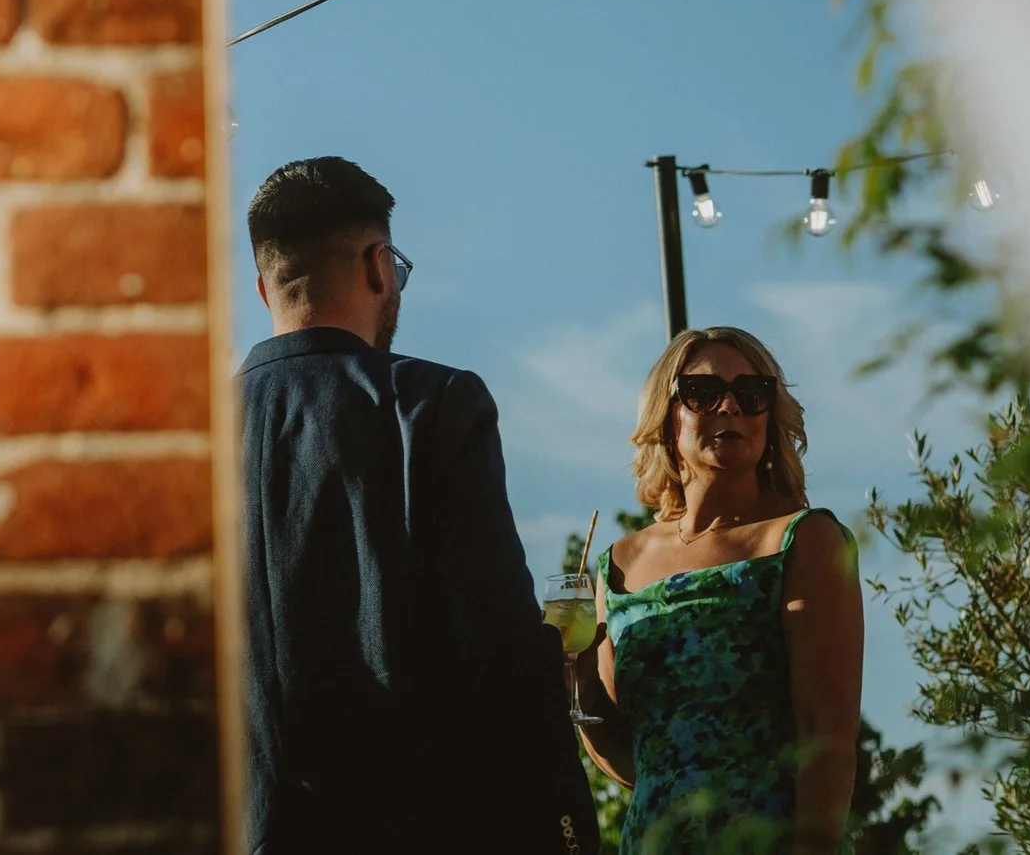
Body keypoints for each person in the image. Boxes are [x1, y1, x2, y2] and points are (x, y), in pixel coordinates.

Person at [238, 156, 599, 855]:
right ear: (378, 264)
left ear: (264, 288)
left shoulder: (191, 437)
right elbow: (497, 653)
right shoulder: (429, 407)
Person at [571, 327, 863, 854]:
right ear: (667, 416)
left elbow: (828, 738)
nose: (730, 406)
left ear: (769, 419)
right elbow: (637, 756)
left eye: (750, 395)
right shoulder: (619, 563)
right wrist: (574, 682)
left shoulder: (805, 540)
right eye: (704, 393)